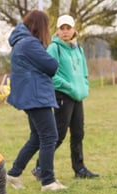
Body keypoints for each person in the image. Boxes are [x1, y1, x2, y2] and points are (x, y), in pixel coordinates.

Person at [4, 10, 64, 192]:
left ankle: (14, 173)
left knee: (37, 137)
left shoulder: (19, 42)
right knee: (49, 136)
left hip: (30, 96)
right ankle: (48, 181)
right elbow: (52, 65)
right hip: (37, 97)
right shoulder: (30, 43)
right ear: (40, 26)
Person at [47, 15, 98, 180]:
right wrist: (69, 87)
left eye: (68, 28)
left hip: (77, 96)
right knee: (59, 134)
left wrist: (84, 85)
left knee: (78, 132)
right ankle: (41, 166)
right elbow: (50, 74)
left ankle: (79, 169)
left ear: (74, 30)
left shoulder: (78, 49)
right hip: (63, 95)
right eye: (62, 28)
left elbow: (83, 72)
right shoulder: (54, 48)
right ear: (57, 31)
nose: (65, 32)